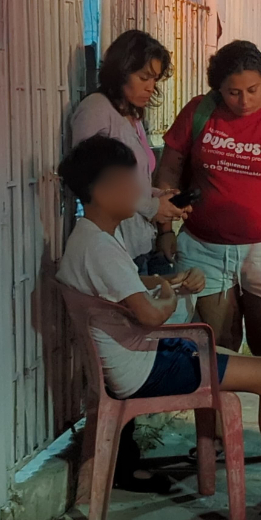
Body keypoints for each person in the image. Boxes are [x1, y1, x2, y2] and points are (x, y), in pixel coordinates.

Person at [57, 135, 261, 520]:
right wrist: (169, 295)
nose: (144, 192)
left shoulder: (88, 239)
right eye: (133, 182)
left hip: (146, 357)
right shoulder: (100, 247)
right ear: (105, 190)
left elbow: (130, 288)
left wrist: (168, 282)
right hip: (146, 365)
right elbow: (150, 316)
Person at [68, 30, 191, 495]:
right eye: (143, 76)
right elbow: (102, 180)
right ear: (121, 71)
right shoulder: (96, 112)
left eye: (155, 80)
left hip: (134, 239)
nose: (150, 88)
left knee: (135, 339)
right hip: (115, 240)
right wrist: (148, 206)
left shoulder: (129, 116)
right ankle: (120, 461)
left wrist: (160, 202)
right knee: (125, 346)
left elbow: (136, 179)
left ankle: (127, 454)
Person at [157, 40, 261, 372]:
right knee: (215, 350)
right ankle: (216, 425)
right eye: (233, 93)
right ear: (218, 87)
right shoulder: (199, 111)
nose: (244, 101)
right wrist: (164, 229)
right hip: (205, 248)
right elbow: (169, 169)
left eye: (253, 89)